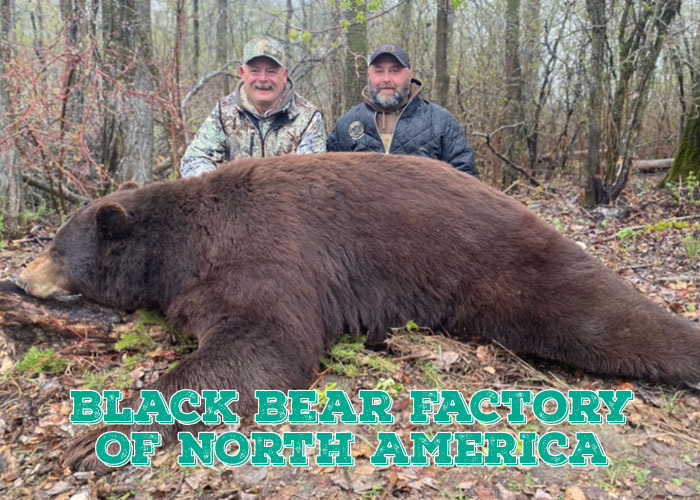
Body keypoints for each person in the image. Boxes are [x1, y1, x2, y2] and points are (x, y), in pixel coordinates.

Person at [181, 36, 326, 178]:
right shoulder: (225, 112)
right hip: (236, 198)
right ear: (242, 74)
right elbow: (194, 160)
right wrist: (219, 186)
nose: (263, 79)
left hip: (288, 199)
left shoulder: (307, 117)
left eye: (271, 71)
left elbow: (312, 175)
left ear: (284, 75)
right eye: (255, 71)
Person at [327, 43, 477, 176]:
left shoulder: (440, 121)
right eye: (379, 71)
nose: (386, 79)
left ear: (410, 75)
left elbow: (465, 179)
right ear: (369, 76)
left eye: (394, 71)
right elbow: (328, 181)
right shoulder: (347, 124)